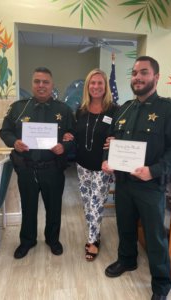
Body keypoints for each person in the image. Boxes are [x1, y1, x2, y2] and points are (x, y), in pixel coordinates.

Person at [102, 56, 171, 300]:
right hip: (124, 183)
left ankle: (161, 285)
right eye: (134, 73)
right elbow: (110, 141)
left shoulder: (168, 110)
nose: (137, 77)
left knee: (155, 237)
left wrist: (154, 170)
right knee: (125, 227)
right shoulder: (125, 109)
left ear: (156, 77)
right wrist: (107, 159)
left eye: (144, 72)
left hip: (150, 185)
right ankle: (127, 260)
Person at [0, 67, 76, 259]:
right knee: (28, 206)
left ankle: (52, 240)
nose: (41, 85)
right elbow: (5, 131)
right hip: (26, 168)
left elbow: (74, 135)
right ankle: (27, 240)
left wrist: (65, 145)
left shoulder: (64, 110)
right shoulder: (18, 107)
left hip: (53, 169)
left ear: (52, 85)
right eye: (37, 81)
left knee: (54, 208)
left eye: (45, 82)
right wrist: (14, 142)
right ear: (32, 84)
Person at [64, 68, 118, 261]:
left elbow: (121, 135)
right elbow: (75, 133)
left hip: (102, 166)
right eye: (92, 83)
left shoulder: (115, 110)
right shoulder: (81, 110)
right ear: (88, 86)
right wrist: (69, 135)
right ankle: (95, 233)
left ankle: (92, 241)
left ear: (105, 87)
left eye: (99, 83)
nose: (96, 87)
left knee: (96, 204)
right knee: (88, 204)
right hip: (82, 165)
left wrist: (115, 141)